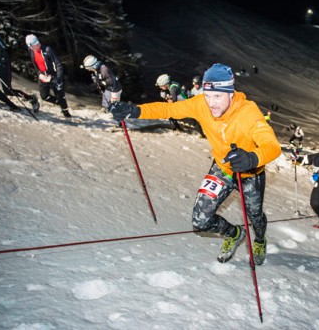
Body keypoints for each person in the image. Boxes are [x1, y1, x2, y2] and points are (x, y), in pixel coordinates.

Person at [108, 63, 281, 265]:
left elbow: (272, 146)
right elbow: (169, 109)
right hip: (223, 169)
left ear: (231, 93)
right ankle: (234, 234)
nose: (212, 103)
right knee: (201, 220)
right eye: (208, 96)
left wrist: (252, 158)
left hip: (250, 173)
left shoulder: (248, 112)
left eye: (217, 96)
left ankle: (259, 239)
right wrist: (135, 110)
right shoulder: (201, 104)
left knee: (255, 216)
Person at [25, 35, 71, 117]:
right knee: (44, 96)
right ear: (30, 46)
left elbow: (58, 64)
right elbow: (35, 63)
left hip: (54, 76)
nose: (38, 45)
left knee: (60, 96)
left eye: (38, 42)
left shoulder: (47, 49)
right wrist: (39, 73)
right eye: (35, 44)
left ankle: (65, 111)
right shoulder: (31, 51)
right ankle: (59, 102)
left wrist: (59, 79)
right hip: (42, 76)